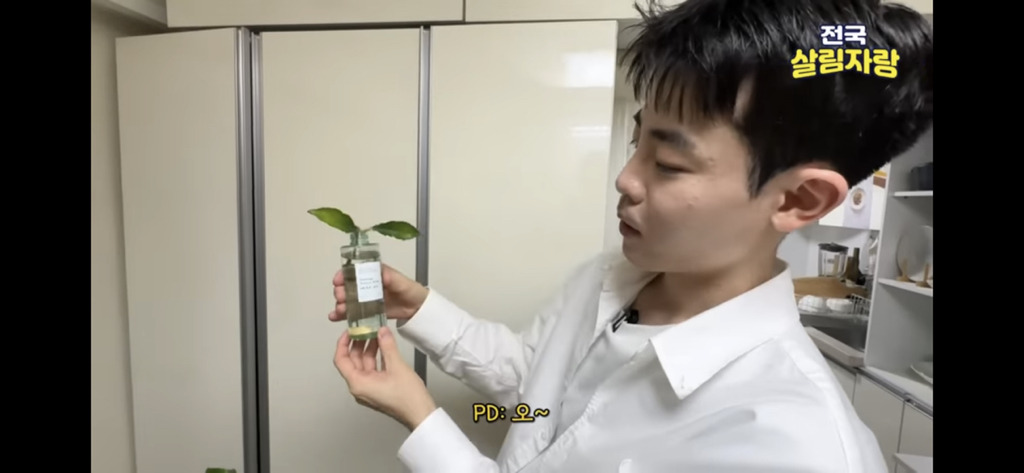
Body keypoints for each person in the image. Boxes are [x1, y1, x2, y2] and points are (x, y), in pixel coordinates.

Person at [329, 0, 933, 471]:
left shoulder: (791, 445)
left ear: (799, 199)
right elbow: (535, 391)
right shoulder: (613, 276)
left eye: (668, 162)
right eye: (637, 140)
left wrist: (423, 418)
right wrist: (419, 310)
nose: (625, 178)